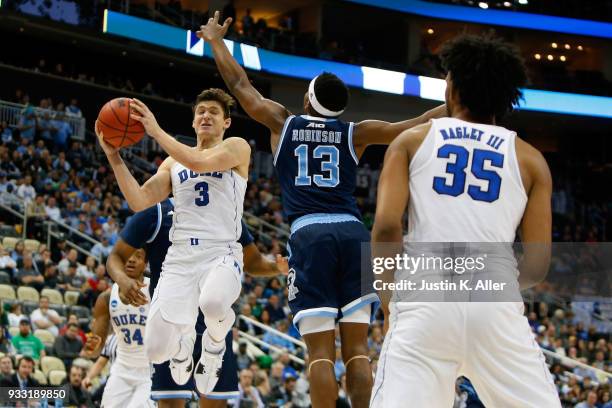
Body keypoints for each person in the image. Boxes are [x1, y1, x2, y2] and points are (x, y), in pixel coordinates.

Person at [199, 11, 445, 407]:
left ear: (307, 99)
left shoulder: (283, 122)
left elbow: (239, 84)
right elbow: (415, 125)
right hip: (352, 232)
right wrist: (457, 99)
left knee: (320, 355)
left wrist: (215, 41)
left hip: (310, 233)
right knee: (358, 352)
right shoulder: (357, 132)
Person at [369, 34, 560, 407]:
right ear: (507, 97)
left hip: (425, 301)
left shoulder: (411, 141)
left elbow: (388, 228)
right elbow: (537, 265)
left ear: (451, 87)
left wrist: (389, 299)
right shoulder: (531, 159)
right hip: (495, 307)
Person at [96, 89, 251, 395]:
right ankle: (184, 344)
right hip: (180, 258)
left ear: (227, 123)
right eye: (201, 112)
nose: (205, 115)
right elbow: (140, 200)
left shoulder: (237, 147)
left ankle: (214, 346)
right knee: (155, 351)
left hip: (221, 251)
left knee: (213, 302)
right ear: (194, 123)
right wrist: (114, 157)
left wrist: (155, 130)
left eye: (213, 113)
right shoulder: (172, 164)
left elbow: (201, 163)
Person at [107, 198, 287, 407]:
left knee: (215, 402)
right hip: (173, 323)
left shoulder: (225, 210)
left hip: (212, 325)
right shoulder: (155, 213)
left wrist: (277, 268)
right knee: (169, 402)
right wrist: (123, 280)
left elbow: (253, 261)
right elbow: (116, 256)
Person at [84, 248, 153, 407]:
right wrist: (91, 347)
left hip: (149, 372)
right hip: (121, 369)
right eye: (127, 256)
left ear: (145, 264)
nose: (131, 260)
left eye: (138, 256)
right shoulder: (106, 297)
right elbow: (96, 347)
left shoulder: (155, 290)